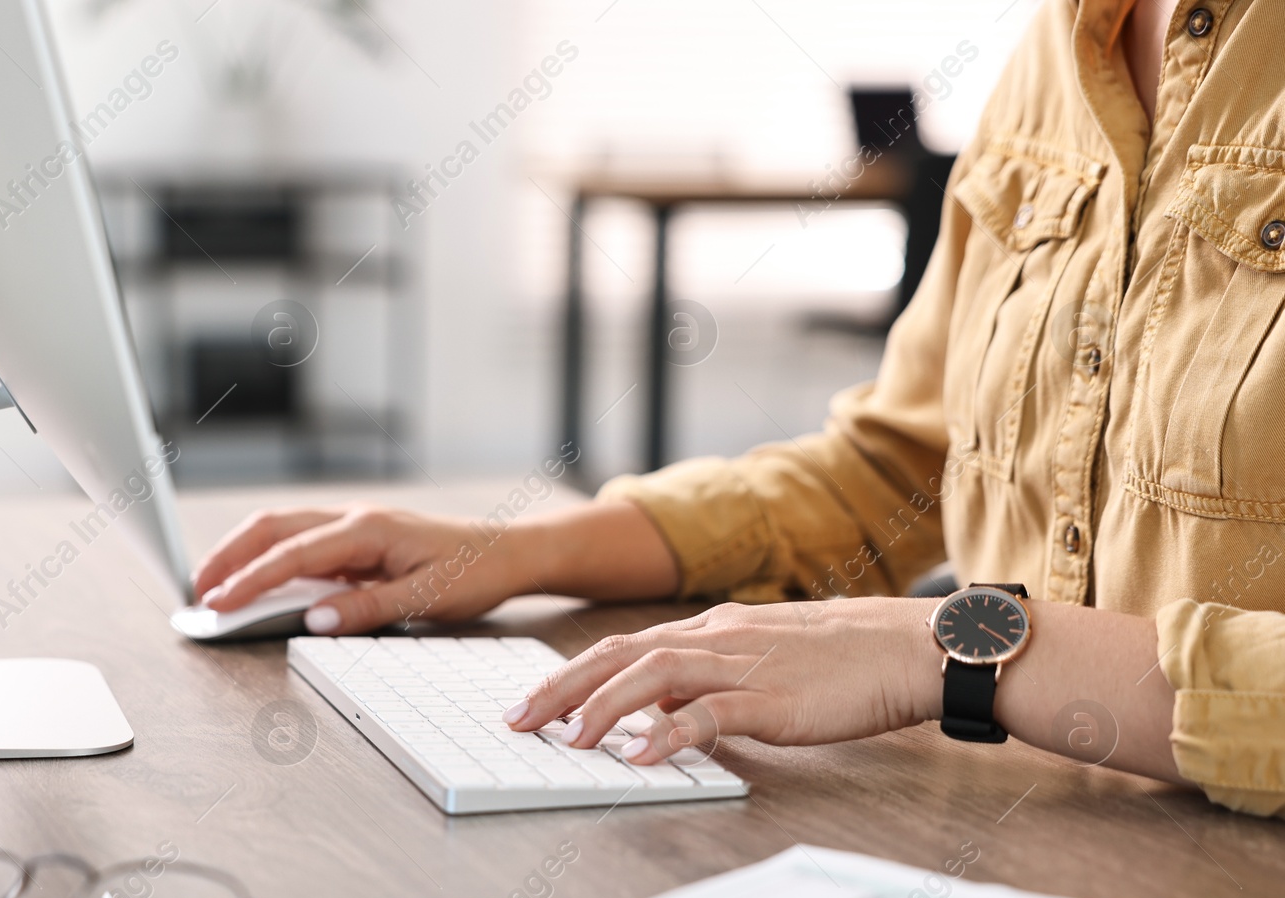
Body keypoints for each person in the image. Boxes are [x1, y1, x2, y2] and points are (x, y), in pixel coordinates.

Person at [195, 0, 1285, 819]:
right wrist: (523, 550)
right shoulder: (1060, 48)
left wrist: (948, 649)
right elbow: (895, 468)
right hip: (1028, 834)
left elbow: (932, 627)